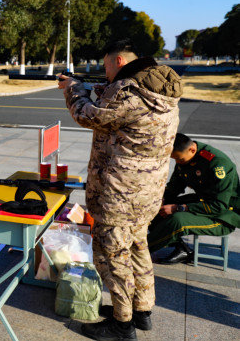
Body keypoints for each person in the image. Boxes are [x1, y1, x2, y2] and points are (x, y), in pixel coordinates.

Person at [58, 39, 182, 341]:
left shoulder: (128, 93)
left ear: (120, 62)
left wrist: (74, 89)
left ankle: (121, 323)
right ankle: (142, 311)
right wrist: (100, 89)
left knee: (112, 255)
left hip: (119, 193)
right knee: (139, 248)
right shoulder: (158, 90)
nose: (105, 71)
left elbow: (89, 115)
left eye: (106, 65)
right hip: (146, 192)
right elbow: (122, 116)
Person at [148, 133, 240, 264]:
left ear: (192, 149)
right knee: (156, 208)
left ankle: (138, 250)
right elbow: (175, 186)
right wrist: (162, 199)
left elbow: (218, 206)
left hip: (223, 215)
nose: (178, 162)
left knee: (177, 220)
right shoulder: (186, 157)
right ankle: (181, 249)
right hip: (202, 203)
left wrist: (178, 208)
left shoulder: (218, 164)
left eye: (180, 159)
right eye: (175, 160)